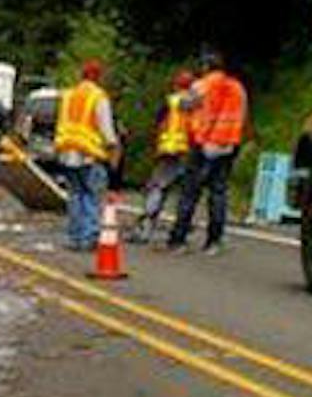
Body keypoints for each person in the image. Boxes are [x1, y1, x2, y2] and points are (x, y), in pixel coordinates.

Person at [168, 50, 248, 257]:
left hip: (203, 143)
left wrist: (178, 99)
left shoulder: (202, 85)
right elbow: (242, 115)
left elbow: (185, 104)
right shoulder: (238, 88)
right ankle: (214, 241)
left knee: (190, 192)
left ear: (206, 67)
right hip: (228, 144)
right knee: (218, 192)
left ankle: (178, 239)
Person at [54, 60, 121, 253]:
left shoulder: (68, 95)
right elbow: (106, 129)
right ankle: (89, 238)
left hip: (67, 152)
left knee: (75, 196)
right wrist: (113, 148)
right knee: (91, 196)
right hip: (88, 154)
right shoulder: (98, 97)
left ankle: (75, 237)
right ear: (98, 76)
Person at [134, 70, 194, 242]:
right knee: (186, 192)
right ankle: (182, 229)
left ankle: (145, 228)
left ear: (176, 85)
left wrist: (156, 146)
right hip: (189, 151)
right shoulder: (197, 103)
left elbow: (160, 124)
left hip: (169, 149)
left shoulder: (171, 101)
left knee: (158, 187)